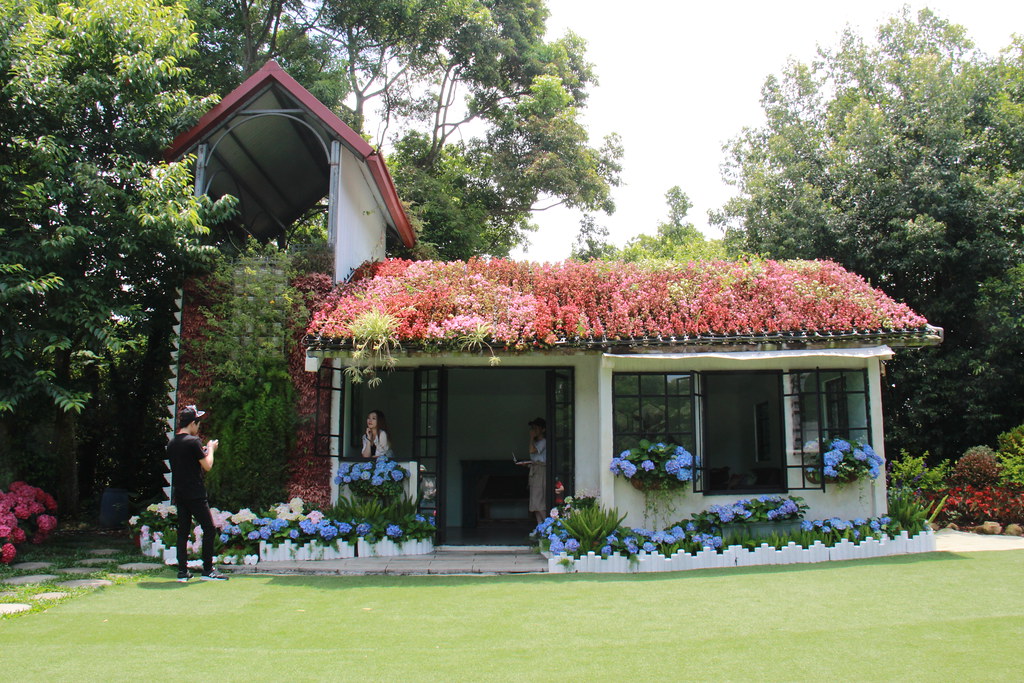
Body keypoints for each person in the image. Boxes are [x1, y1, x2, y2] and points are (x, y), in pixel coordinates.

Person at [167, 404, 228, 582]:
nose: (199, 426)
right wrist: (210, 448)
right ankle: (208, 570)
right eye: (198, 423)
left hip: (180, 493)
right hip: (195, 493)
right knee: (209, 529)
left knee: (183, 531)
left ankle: (182, 572)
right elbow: (207, 465)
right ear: (192, 423)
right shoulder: (193, 442)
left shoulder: (172, 443)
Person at [516, 417, 547, 524]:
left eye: (536, 428)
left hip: (540, 472)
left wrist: (531, 438)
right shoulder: (536, 442)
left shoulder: (543, 442)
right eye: (532, 428)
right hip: (534, 470)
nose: (533, 430)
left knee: (539, 500)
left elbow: (532, 450)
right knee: (534, 501)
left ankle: (549, 524)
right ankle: (540, 526)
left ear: (543, 430)